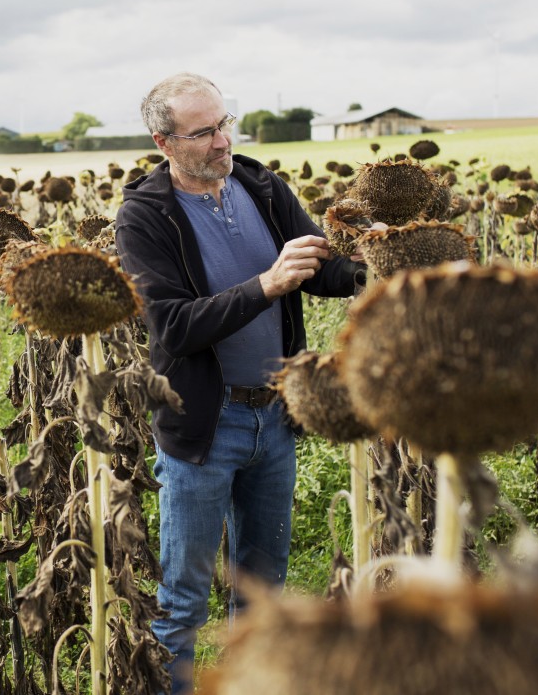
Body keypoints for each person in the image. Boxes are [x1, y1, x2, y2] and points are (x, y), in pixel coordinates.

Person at [113, 72, 366, 693]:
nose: (223, 141)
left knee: (262, 588)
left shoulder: (259, 183)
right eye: (204, 132)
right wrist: (266, 286)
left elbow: (320, 269)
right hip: (204, 425)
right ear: (163, 142)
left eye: (225, 123)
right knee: (184, 598)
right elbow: (172, 327)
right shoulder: (146, 217)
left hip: (276, 417)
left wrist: (372, 261)